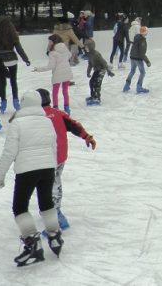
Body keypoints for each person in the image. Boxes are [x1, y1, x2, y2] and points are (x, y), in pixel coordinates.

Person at [0, 91, 63, 267]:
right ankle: (54, 236)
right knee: (46, 203)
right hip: (47, 168)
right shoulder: (47, 121)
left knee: (20, 207)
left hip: (27, 170)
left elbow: (9, 152)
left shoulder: (18, 123)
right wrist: (52, 167)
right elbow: (54, 145)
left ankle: (32, 242)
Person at [36, 88, 95, 231]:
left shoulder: (34, 118)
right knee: (54, 182)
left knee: (47, 185)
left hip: (44, 159)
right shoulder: (58, 114)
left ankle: (55, 214)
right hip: (60, 157)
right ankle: (52, 210)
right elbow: (75, 126)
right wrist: (87, 137)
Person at [0, 18, 31, 113]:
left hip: (0, 60)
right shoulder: (14, 35)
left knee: (2, 82)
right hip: (12, 60)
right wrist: (26, 59)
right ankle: (15, 101)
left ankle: (3, 102)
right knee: (13, 81)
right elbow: (19, 49)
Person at [32, 35, 73, 115]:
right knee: (65, 91)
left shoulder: (53, 53)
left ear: (54, 42)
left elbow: (51, 66)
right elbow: (69, 55)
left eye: (50, 41)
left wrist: (38, 69)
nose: (49, 43)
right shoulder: (64, 48)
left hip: (58, 74)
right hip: (67, 72)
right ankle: (67, 108)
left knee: (55, 92)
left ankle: (56, 108)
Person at [84, 38, 114, 105]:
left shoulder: (96, 54)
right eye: (85, 47)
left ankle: (97, 98)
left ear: (91, 46)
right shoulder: (89, 54)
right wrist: (88, 72)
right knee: (91, 82)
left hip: (102, 69)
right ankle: (93, 96)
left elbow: (104, 63)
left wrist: (109, 71)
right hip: (96, 70)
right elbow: (90, 64)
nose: (85, 48)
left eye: (87, 47)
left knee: (97, 84)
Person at [124, 26, 151, 94]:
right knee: (142, 72)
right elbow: (142, 53)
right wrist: (147, 61)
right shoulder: (142, 40)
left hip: (132, 57)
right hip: (138, 58)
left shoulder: (137, 37)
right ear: (145, 32)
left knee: (132, 71)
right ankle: (139, 87)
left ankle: (126, 86)